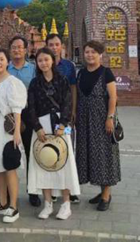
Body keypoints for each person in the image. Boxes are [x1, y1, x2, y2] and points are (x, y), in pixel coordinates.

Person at [26, 47, 80, 220]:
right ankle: (47, 203)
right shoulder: (35, 83)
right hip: (41, 127)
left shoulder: (62, 80)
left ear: (53, 61)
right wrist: (37, 127)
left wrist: (63, 124)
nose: (43, 63)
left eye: (46, 59)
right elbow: (31, 107)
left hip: (60, 126)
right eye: (40, 60)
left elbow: (67, 102)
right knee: (43, 162)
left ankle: (66, 203)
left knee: (64, 162)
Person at [0, 48, 27, 224]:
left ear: (7, 62)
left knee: (9, 167)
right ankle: (2, 202)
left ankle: (13, 206)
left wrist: (16, 132)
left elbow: (17, 109)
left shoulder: (13, 83)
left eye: (1, 59)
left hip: (6, 130)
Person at [75, 41, 120, 211]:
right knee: (90, 155)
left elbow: (113, 97)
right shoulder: (81, 73)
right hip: (84, 120)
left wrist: (110, 118)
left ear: (100, 54)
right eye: (87, 52)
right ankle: (101, 192)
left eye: (93, 52)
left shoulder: (106, 73)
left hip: (101, 120)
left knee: (103, 155)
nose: (90, 55)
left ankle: (106, 195)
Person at [46, 34, 79, 204]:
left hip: (65, 117)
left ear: (62, 46)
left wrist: (73, 110)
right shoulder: (43, 64)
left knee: (68, 150)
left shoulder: (68, 66)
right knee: (51, 151)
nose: (54, 47)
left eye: (57, 44)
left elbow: (73, 88)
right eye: (51, 44)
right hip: (48, 117)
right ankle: (52, 189)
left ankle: (70, 189)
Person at [7, 35, 39, 207]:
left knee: (30, 153)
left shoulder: (33, 69)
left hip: (28, 113)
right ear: (10, 50)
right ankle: (8, 192)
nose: (17, 50)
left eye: (20, 47)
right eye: (14, 47)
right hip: (9, 116)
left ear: (26, 50)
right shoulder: (5, 68)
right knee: (8, 152)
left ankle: (33, 190)